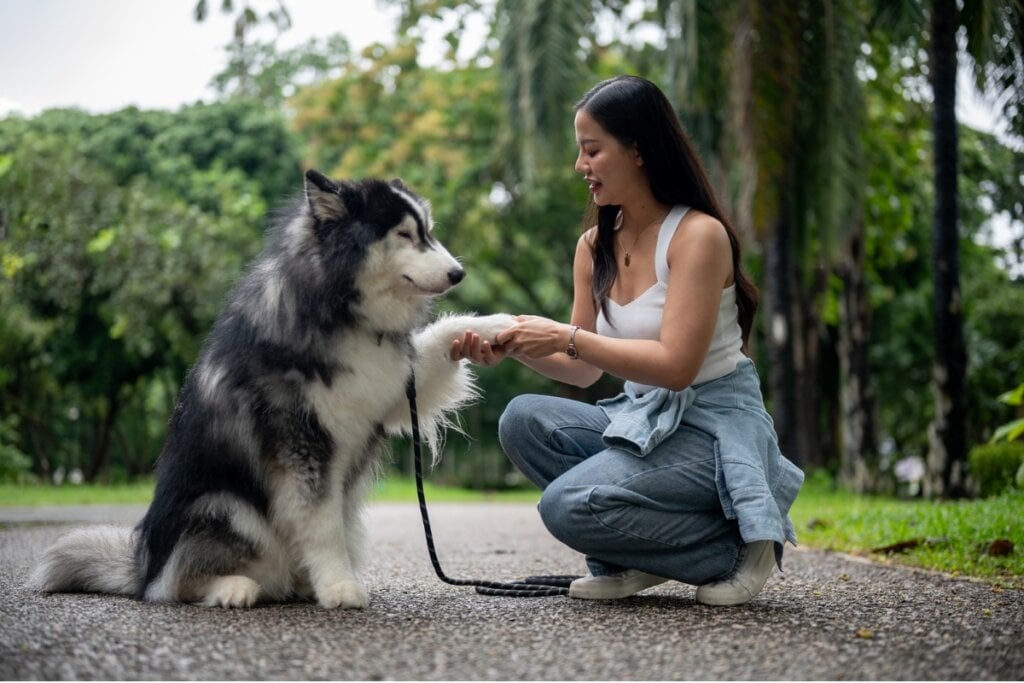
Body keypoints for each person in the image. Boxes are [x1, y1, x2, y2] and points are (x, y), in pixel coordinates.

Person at [450, 75, 803, 604]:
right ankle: (631, 557)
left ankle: (734, 548)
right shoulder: (594, 246)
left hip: (713, 427)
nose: (580, 166)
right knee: (523, 420)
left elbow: (677, 367)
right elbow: (585, 369)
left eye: (592, 150)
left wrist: (565, 336)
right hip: (643, 419)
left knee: (565, 505)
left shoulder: (697, 235)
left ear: (637, 150)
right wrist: (522, 345)